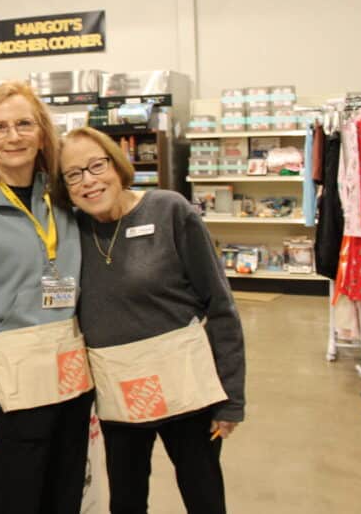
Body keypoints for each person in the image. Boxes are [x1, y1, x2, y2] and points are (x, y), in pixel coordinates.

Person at [58, 126, 246, 514]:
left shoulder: (168, 210)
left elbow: (221, 306)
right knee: (126, 500)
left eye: (96, 165)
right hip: (119, 389)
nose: (89, 181)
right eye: (74, 174)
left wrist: (231, 400)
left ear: (117, 163)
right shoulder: (71, 230)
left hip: (187, 387)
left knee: (203, 493)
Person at [0, 81, 94, 514]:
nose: (13, 136)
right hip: (7, 388)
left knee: (65, 499)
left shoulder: (67, 199)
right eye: (0, 127)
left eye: (24, 124)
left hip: (69, 383)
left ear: (43, 133)